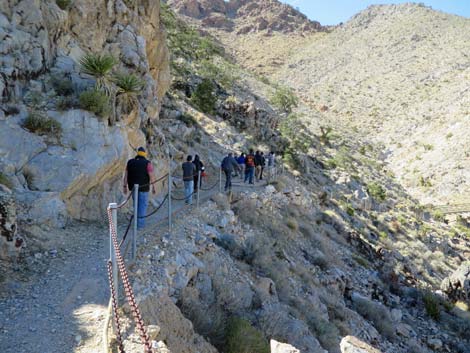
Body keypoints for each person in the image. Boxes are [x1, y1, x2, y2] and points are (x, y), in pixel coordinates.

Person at [123, 147, 156, 229]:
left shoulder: (130, 162)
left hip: (133, 188)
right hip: (144, 188)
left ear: (137, 153)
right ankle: (140, 226)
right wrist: (154, 186)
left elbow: (126, 176)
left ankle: (136, 223)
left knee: (136, 205)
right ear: (144, 154)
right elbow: (151, 176)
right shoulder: (147, 163)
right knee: (142, 206)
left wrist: (124, 186)